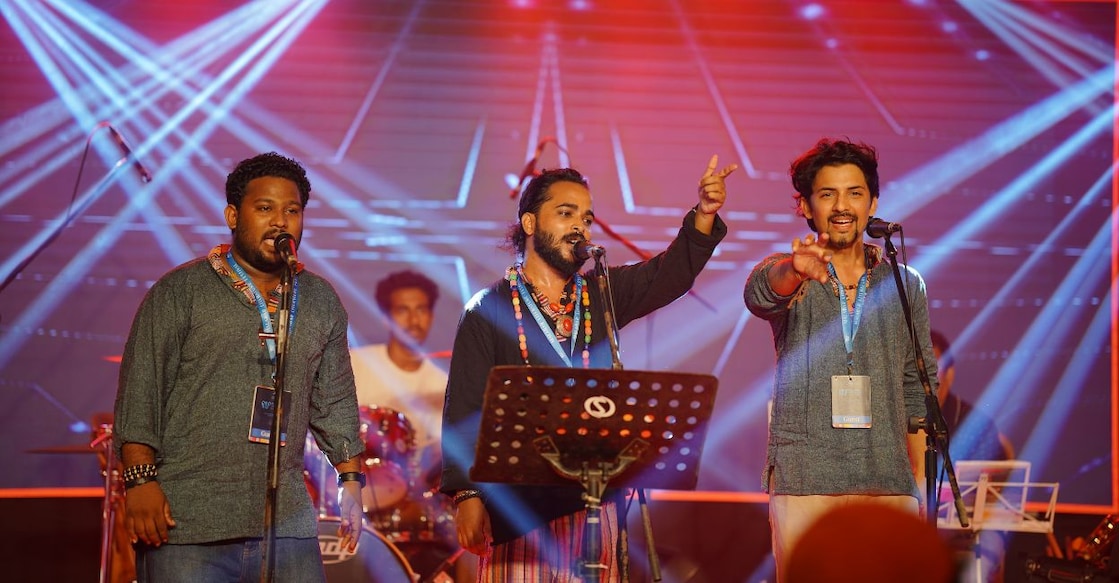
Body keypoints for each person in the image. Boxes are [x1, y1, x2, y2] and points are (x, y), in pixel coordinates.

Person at [441, 156, 736, 582]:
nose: (580, 225)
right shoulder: (488, 310)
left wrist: (704, 215)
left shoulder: (601, 293)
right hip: (519, 510)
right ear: (528, 223)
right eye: (565, 213)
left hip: (595, 503)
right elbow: (464, 407)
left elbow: (668, 276)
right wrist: (466, 494)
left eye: (587, 217)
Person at [112, 152, 365, 582]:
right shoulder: (181, 291)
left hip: (286, 526)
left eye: (292, 210)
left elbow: (335, 400)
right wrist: (139, 483)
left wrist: (352, 482)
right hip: (188, 524)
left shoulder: (319, 299)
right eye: (264, 208)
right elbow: (141, 392)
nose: (280, 222)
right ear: (232, 215)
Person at [743, 138, 937, 582]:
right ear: (807, 208)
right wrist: (794, 270)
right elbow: (759, 294)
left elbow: (917, 387)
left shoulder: (906, 283)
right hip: (806, 478)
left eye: (854, 193)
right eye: (827, 194)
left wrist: (920, 487)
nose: (842, 205)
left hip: (886, 482)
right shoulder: (791, 270)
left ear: (873, 204)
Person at [350, 269, 448, 484]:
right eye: (403, 310)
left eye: (421, 309)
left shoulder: (442, 385)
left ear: (431, 316)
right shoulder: (354, 363)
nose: (414, 320)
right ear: (386, 318)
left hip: (406, 498)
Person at [929, 330, 1014, 463]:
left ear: (949, 374)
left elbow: (989, 479)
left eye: (931, 370)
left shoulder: (976, 427)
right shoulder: (893, 420)